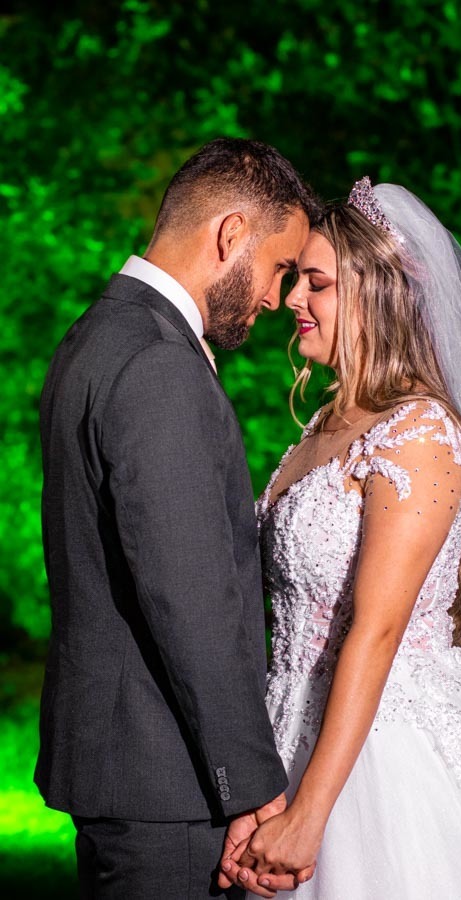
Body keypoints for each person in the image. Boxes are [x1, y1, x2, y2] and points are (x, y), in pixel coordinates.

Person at [218, 178, 461, 898]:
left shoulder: (418, 434)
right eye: (297, 280)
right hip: (289, 720)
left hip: (390, 755)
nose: (294, 299)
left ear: (375, 295)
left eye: (318, 284)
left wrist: (312, 812)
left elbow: (379, 628)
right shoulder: (324, 426)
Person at [35, 137, 323, 899]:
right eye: (277, 268)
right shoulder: (160, 364)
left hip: (124, 772)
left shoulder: (96, 335)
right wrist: (254, 790)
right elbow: (189, 599)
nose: (274, 297)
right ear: (230, 235)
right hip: (167, 787)